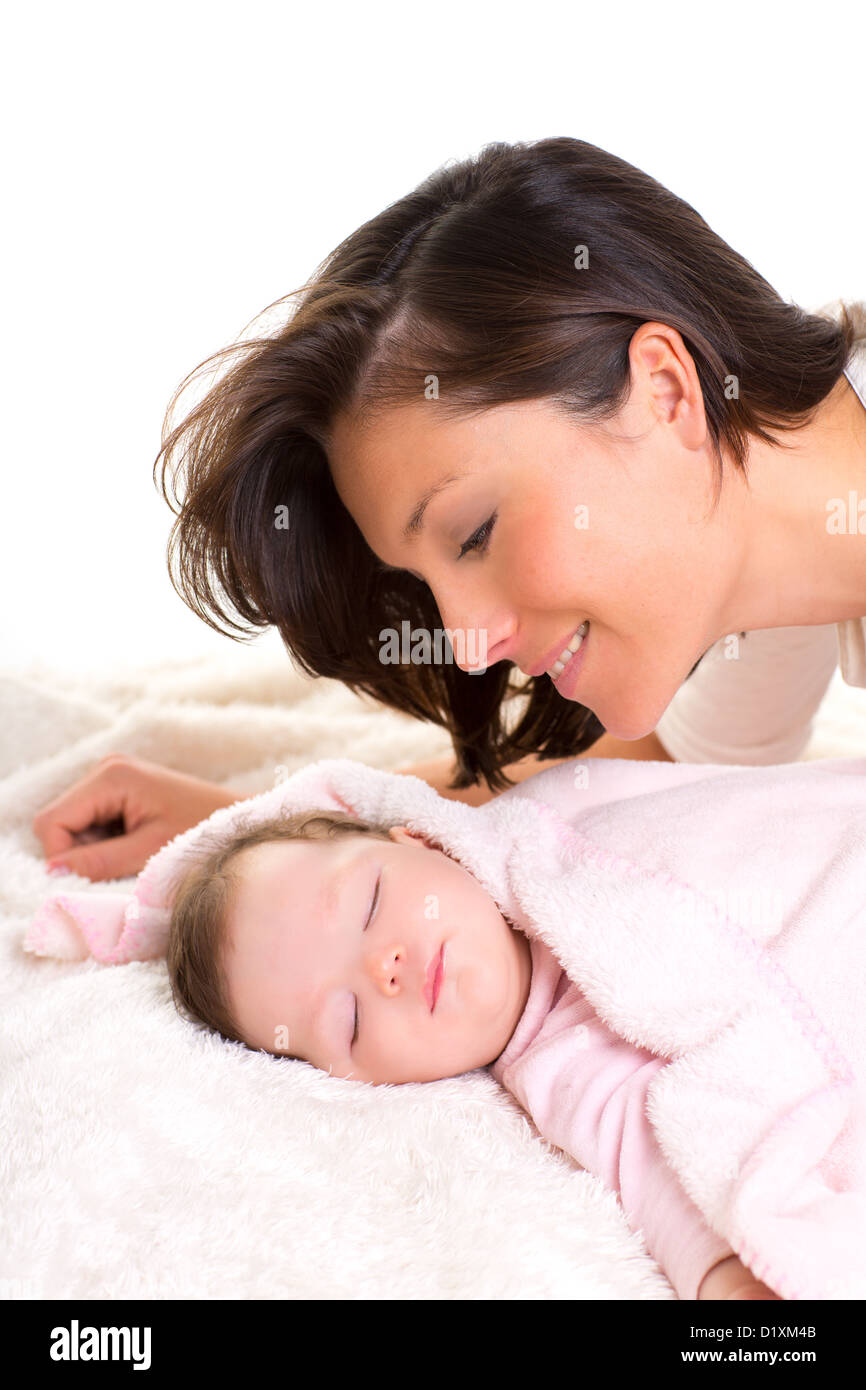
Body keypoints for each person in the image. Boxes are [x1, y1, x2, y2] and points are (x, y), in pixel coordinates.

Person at [31, 136, 866, 880]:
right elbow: (662, 761)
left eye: (474, 533)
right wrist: (259, 828)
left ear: (664, 390)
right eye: (425, 583)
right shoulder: (770, 556)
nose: (469, 647)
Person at [163, 798, 782, 1303]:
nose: (386, 967)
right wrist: (724, 1277)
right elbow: (655, 1167)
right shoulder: (566, 1070)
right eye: (347, 1020)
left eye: (371, 902)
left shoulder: (544, 824)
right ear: (356, 1081)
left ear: (420, 839)